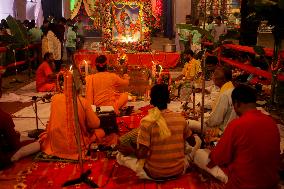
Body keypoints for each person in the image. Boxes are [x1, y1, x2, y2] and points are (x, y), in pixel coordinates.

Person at [195, 84, 280, 189]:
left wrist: (212, 151)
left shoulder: (237, 124)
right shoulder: (271, 122)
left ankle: (219, 183)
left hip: (243, 184)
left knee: (199, 154)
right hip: (270, 181)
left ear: (236, 103)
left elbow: (218, 158)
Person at [116, 84, 199, 180]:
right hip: (178, 171)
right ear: (168, 100)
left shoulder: (147, 121)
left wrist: (131, 151)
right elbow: (193, 143)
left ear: (151, 101)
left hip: (153, 173)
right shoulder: (181, 119)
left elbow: (142, 154)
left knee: (120, 156)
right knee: (197, 141)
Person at [40, 72, 105, 160]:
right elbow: (95, 124)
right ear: (79, 86)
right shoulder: (82, 101)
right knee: (101, 132)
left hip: (55, 145)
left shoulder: (55, 98)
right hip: (76, 147)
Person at [187, 67, 237, 132]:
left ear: (223, 79)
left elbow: (215, 121)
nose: (213, 77)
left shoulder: (225, 94)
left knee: (186, 123)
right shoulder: (229, 88)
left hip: (220, 129)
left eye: (215, 75)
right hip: (221, 124)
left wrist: (200, 119)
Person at [0, 97, 40, 170]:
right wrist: (16, 135)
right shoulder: (4, 116)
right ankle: (12, 159)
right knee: (38, 143)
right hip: (2, 159)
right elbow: (14, 145)